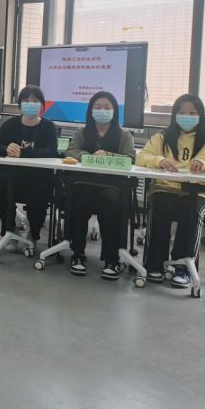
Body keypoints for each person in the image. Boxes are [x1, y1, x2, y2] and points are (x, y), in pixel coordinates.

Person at [136, 94, 205, 287]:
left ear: (201, 115)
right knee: (159, 203)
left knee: (191, 209)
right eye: (182, 112)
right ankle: (155, 264)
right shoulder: (162, 137)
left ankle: (183, 267)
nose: (187, 116)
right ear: (174, 114)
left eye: (192, 112)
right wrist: (159, 161)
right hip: (169, 188)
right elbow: (142, 156)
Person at [64, 91, 135, 280]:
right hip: (85, 182)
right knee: (79, 198)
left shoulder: (124, 135)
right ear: (90, 110)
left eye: (107, 107)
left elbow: (130, 158)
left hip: (113, 186)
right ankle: (77, 254)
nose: (102, 110)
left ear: (114, 111)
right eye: (98, 107)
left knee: (109, 201)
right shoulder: (82, 132)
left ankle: (112, 259)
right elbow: (70, 152)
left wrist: (108, 156)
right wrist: (90, 157)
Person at [0, 85, 58, 246]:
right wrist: (6, 148)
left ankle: (34, 233)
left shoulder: (48, 127)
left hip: (39, 179)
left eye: (35, 100)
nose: (31, 104)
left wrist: (23, 153)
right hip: (11, 178)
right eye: (26, 100)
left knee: (39, 197)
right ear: (20, 105)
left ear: (42, 105)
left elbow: (52, 152)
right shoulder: (10, 124)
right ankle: (10, 229)